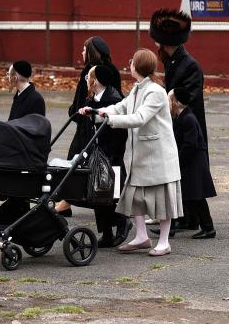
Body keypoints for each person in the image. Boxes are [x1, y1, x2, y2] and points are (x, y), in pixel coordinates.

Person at [97, 48, 183, 256]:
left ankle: (164, 242)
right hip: (140, 154)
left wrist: (111, 121)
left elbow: (140, 117)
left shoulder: (155, 91)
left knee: (162, 201)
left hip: (158, 155)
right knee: (135, 197)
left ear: (139, 66)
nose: (130, 65)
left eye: (132, 62)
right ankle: (142, 237)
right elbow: (120, 107)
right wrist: (96, 112)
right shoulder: (137, 88)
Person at [150, 8, 209, 231]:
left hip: (188, 128)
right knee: (181, 173)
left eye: (159, 43)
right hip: (178, 126)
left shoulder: (189, 65)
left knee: (188, 172)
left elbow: (188, 99)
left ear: (166, 43)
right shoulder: (174, 62)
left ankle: (192, 220)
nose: (157, 48)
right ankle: (184, 218)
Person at [58, 36, 121, 217]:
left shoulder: (92, 72)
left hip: (93, 127)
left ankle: (70, 200)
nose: (82, 52)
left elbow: (81, 98)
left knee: (83, 163)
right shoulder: (111, 71)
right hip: (94, 126)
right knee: (82, 164)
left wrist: (76, 112)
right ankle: (68, 200)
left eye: (85, 50)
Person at [76, 65, 132, 248]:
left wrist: (112, 152)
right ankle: (106, 232)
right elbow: (86, 128)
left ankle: (123, 222)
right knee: (97, 193)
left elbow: (120, 131)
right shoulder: (92, 99)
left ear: (97, 80)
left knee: (113, 194)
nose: (86, 80)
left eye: (88, 77)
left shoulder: (113, 99)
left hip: (111, 154)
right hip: (96, 153)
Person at [169, 87, 217, 239]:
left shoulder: (188, 118)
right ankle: (173, 227)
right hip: (190, 162)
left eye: (169, 99)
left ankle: (208, 228)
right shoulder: (181, 117)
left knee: (196, 197)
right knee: (188, 196)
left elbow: (190, 144)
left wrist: (178, 161)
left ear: (176, 102)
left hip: (193, 163)